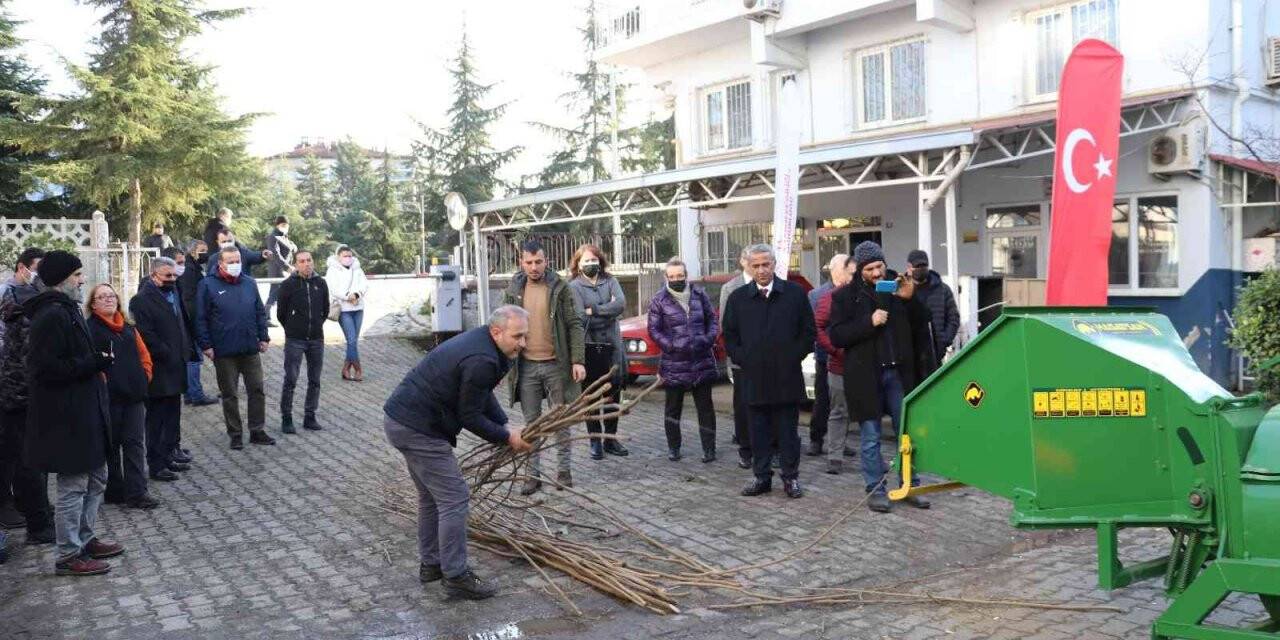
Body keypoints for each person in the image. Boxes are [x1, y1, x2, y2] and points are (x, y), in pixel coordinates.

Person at [383, 306, 533, 600]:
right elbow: (470, 415)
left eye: (525, 336)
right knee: (454, 498)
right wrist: (507, 437)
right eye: (518, 336)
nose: (523, 343)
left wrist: (503, 423)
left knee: (432, 497)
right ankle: (456, 576)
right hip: (418, 428)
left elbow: (481, 393)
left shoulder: (484, 345)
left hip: (401, 420)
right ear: (496, 332)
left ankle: (432, 565)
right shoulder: (482, 359)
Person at [23, 251, 125, 576]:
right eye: (77, 275)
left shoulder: (68, 309)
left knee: (97, 477)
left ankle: (85, 537)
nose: (82, 281)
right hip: (67, 418)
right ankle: (68, 554)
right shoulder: (50, 315)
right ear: (62, 279)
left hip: (86, 411)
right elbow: (47, 369)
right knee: (74, 485)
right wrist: (92, 363)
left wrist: (95, 361)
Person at [827, 241, 933, 513]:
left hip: (898, 374)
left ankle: (911, 485)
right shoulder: (845, 296)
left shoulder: (897, 286)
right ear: (860, 269)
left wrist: (911, 299)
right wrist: (868, 322)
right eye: (870, 269)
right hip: (866, 377)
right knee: (871, 436)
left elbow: (923, 322)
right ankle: (875, 488)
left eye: (879, 266)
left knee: (905, 434)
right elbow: (836, 336)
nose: (876, 273)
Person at [722, 244, 814, 499]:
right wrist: (744, 359)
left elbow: (808, 332)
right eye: (756, 266)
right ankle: (761, 477)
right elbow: (729, 336)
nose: (761, 270)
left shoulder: (794, 294)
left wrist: (793, 356)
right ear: (748, 267)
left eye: (766, 264)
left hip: (787, 377)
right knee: (758, 432)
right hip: (754, 377)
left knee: (788, 433)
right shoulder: (738, 298)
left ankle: (790, 478)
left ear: (774, 264)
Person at [502, 240, 585, 495]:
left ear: (546, 261)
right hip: (526, 367)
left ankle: (564, 473)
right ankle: (532, 476)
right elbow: (503, 328)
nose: (534, 267)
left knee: (560, 421)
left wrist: (577, 360)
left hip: (556, 366)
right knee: (531, 425)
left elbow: (574, 324)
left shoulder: (560, 287)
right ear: (522, 263)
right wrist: (502, 363)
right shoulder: (514, 289)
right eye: (529, 262)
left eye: (538, 261)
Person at [86, 283, 161, 509]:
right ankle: (114, 489)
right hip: (107, 399)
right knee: (111, 446)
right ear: (93, 304)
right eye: (102, 297)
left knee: (135, 444)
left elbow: (143, 354)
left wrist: (145, 375)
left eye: (111, 296)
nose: (109, 299)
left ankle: (137, 492)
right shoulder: (90, 330)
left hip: (134, 397)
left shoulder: (128, 327)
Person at [195, 246, 274, 450]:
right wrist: (206, 345)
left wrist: (263, 337)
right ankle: (235, 433)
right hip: (224, 350)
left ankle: (257, 430)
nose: (235, 264)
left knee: (257, 390)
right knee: (229, 394)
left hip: (250, 348)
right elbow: (200, 318)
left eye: (237, 261)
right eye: (230, 261)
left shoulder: (249, 283)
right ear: (220, 263)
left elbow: (259, 312)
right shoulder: (207, 285)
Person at [0, 248, 54, 545]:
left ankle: (37, 509)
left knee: (30, 459)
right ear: (23, 268)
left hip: (23, 390)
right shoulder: (18, 302)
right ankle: (34, 517)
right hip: (18, 392)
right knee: (24, 460)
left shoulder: (31, 301)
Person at [131, 256, 198, 486]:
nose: (172, 279)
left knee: (172, 416)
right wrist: (166, 351)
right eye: (167, 276)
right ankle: (156, 464)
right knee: (156, 420)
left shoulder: (173, 292)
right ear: (153, 276)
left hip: (176, 365)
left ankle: (169, 455)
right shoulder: (141, 300)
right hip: (159, 368)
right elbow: (145, 334)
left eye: (174, 275)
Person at [648, 257, 719, 463]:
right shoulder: (659, 300)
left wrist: (707, 339)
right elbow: (654, 330)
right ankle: (674, 448)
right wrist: (671, 345)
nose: (676, 279)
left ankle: (709, 449)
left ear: (686, 275)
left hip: (701, 359)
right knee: (673, 409)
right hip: (674, 363)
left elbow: (713, 320)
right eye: (672, 276)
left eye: (680, 275)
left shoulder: (700, 295)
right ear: (666, 277)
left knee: (705, 409)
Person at [566, 244, 628, 461]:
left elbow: (621, 304)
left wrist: (595, 310)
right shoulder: (573, 287)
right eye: (586, 261)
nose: (591, 264)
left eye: (594, 260)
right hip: (589, 347)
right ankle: (595, 440)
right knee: (591, 395)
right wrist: (608, 312)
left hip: (613, 347)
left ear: (600, 261)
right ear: (578, 264)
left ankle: (610, 439)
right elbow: (580, 317)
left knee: (612, 393)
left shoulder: (611, 281)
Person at [814, 254, 856, 475]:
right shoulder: (829, 297)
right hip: (838, 364)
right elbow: (817, 326)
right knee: (838, 410)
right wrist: (834, 349)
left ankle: (868, 454)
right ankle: (834, 456)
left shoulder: (868, 296)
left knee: (865, 411)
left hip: (863, 364)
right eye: (851, 272)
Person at [277, 250, 328, 434]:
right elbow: (281, 314)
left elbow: (325, 309)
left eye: (309, 260)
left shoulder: (320, 283)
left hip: (316, 339)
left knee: (315, 380)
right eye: (302, 261)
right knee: (291, 379)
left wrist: (315, 325)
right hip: (295, 340)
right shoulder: (288, 285)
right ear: (296, 265)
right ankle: (287, 418)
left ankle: (310, 416)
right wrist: (293, 328)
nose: (306, 264)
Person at [805, 255, 848, 457]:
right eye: (847, 268)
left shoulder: (853, 292)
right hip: (825, 356)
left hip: (848, 357)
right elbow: (813, 327)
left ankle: (840, 442)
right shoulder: (817, 295)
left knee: (843, 403)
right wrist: (829, 347)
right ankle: (816, 439)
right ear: (835, 270)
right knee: (822, 400)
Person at [718, 247, 754, 469]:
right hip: (742, 360)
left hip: (769, 359)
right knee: (743, 406)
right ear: (742, 262)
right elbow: (726, 326)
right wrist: (739, 354)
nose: (755, 265)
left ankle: (773, 447)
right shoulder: (730, 288)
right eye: (750, 260)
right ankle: (745, 450)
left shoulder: (773, 285)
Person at [177, 241, 218, 407]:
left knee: (191, 358)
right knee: (194, 358)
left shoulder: (193, 267)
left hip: (191, 320)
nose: (205, 254)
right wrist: (196, 323)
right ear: (193, 251)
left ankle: (189, 393)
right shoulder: (189, 270)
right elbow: (189, 298)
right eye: (202, 251)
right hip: (192, 321)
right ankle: (196, 394)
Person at [907, 249, 961, 371]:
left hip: (935, 353)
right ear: (909, 267)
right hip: (910, 353)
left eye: (924, 266)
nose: (921, 269)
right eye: (917, 266)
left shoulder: (943, 290)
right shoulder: (902, 289)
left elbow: (953, 318)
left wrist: (944, 341)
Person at [325, 245, 368, 382]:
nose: (348, 258)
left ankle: (345, 369)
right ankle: (358, 369)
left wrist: (357, 294)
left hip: (358, 308)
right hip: (344, 310)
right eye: (345, 256)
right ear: (338, 257)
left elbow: (364, 284)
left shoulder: (357, 268)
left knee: (353, 341)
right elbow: (333, 289)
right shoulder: (332, 270)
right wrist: (348, 296)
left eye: (350, 256)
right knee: (351, 340)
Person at [263, 216, 296, 326]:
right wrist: (287, 267)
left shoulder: (284, 236)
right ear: (277, 225)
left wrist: (293, 246)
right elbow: (275, 255)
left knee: (279, 294)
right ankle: (265, 317)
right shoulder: (273, 237)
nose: (285, 227)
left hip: (285, 270)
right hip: (278, 270)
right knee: (274, 294)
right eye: (283, 225)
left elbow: (292, 247)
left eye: (286, 225)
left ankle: (268, 317)